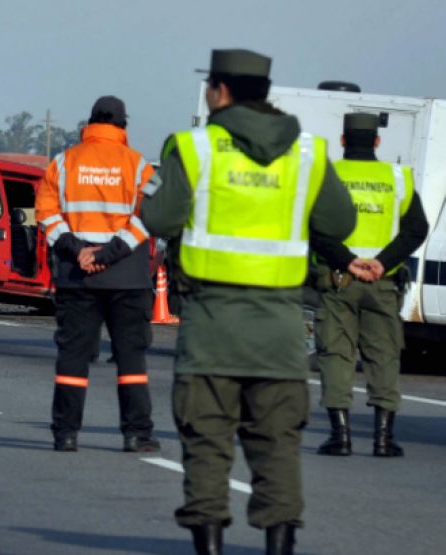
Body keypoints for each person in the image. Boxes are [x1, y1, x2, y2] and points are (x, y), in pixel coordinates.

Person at [141, 49, 356, 554]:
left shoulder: (193, 149)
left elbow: (158, 221)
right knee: (278, 447)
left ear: (220, 91)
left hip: (211, 328)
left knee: (207, 445)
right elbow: (340, 225)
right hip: (280, 333)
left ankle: (209, 547)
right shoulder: (307, 153)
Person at [35, 95, 160, 454]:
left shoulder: (62, 163)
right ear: (123, 126)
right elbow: (148, 217)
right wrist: (112, 253)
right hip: (127, 276)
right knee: (131, 359)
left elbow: (46, 214)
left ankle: (66, 434)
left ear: (88, 124)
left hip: (78, 276)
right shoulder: (140, 167)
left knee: (73, 357)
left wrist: (79, 251)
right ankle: (136, 434)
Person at [313, 113, 429, 458]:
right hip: (384, 282)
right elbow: (416, 229)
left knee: (336, 354)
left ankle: (341, 436)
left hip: (338, 280)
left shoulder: (327, 176)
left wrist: (347, 260)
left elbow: (314, 228)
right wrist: (382, 261)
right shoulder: (398, 177)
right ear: (377, 142)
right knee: (384, 356)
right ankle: (383, 439)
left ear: (343, 140)